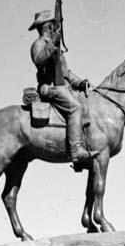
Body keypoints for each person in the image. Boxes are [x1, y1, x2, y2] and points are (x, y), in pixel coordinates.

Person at [28, 10, 98, 167]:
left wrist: (80, 83)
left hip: (63, 87)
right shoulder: (39, 44)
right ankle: (76, 150)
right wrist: (53, 44)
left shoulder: (54, 46)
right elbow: (39, 60)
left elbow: (65, 73)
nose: (55, 27)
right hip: (51, 88)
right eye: (53, 24)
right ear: (48, 26)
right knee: (75, 107)